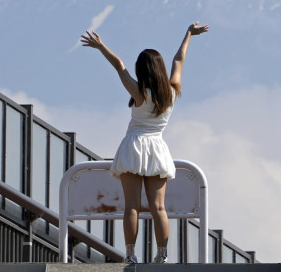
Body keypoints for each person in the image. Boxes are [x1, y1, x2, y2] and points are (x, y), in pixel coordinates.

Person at [80, 22, 209, 264]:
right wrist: (189, 33)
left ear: (142, 69)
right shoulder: (171, 92)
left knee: (131, 206)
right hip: (157, 148)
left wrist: (100, 46)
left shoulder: (139, 92)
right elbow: (178, 60)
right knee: (159, 208)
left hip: (133, 146)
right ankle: (162, 255)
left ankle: (130, 254)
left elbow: (119, 66)